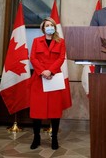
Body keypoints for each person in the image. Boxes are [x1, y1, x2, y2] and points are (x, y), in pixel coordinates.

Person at [29, 17, 72, 150]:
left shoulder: (61, 42)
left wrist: (50, 71)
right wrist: (43, 71)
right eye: (47, 25)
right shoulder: (37, 41)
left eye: (51, 25)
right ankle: (36, 138)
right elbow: (33, 57)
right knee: (37, 110)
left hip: (54, 79)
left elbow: (61, 58)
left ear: (54, 27)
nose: (49, 27)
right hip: (39, 78)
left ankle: (54, 138)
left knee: (54, 110)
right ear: (43, 28)